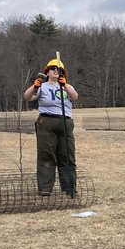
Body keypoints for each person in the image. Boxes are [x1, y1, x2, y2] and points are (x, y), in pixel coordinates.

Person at [24, 58, 79, 196]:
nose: (56, 71)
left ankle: (69, 187)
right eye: (53, 68)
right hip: (47, 122)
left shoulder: (67, 86)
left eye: (59, 69)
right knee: (46, 155)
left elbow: (74, 97)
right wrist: (35, 86)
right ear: (47, 72)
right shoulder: (42, 87)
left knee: (67, 156)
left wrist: (65, 85)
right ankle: (45, 188)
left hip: (65, 123)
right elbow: (27, 97)